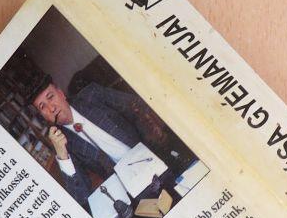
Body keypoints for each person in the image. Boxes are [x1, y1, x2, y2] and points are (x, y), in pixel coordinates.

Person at [26, 75, 184, 207]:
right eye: (43, 107)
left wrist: (155, 145)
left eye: (51, 97)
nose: (51, 108)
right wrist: (63, 157)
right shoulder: (63, 144)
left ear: (61, 94)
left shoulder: (92, 95)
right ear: (43, 116)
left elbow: (135, 105)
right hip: (130, 189)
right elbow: (83, 198)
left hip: (153, 153)